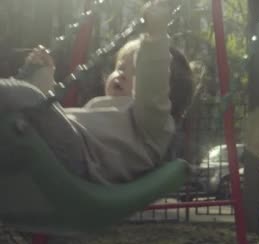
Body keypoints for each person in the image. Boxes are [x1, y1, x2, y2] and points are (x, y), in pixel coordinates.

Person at [0, 1, 193, 184]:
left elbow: (152, 86)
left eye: (135, 71)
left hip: (84, 159)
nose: (123, 74)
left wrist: (155, 36)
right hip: (69, 148)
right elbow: (53, 119)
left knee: (27, 97)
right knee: (18, 114)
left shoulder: (154, 124)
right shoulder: (102, 108)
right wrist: (44, 80)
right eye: (120, 67)